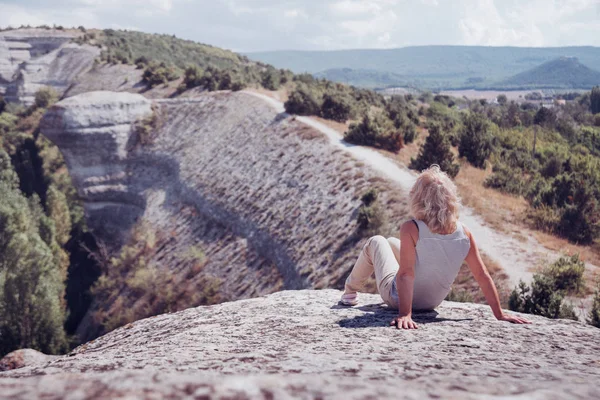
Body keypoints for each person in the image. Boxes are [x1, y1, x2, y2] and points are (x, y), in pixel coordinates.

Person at [340, 165, 530, 329]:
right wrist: (499, 314)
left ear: (418, 199)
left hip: (397, 298)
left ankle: (350, 291)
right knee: (391, 243)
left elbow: (406, 274)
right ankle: (357, 291)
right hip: (432, 302)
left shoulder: (411, 228)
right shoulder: (465, 233)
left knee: (377, 241)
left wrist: (405, 313)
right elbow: (482, 275)